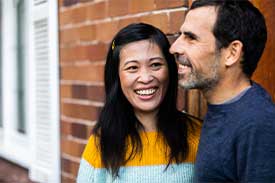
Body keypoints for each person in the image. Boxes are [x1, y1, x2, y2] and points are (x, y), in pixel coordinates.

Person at [77, 23, 201, 183]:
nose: (146, 78)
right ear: (117, 77)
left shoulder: (198, 136)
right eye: (132, 68)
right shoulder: (101, 145)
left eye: (155, 65)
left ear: (170, 70)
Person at [170, 0, 275, 182]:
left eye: (191, 38)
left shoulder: (258, 125)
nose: (174, 47)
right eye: (180, 35)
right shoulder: (225, 108)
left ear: (232, 53)